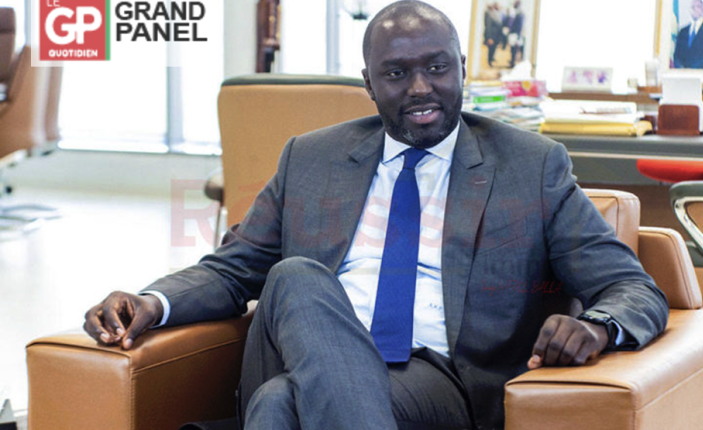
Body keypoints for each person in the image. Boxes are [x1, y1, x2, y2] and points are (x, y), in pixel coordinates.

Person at [83, 2, 668, 429]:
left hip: (438, 383)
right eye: (396, 73)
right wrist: (152, 302)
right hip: (300, 353)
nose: (421, 88)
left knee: (277, 406)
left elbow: (631, 287)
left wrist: (598, 325)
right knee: (294, 278)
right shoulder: (311, 158)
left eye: (437, 67)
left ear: (463, 67)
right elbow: (232, 270)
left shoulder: (530, 165)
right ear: (368, 83)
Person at [673, 0, 703, 69]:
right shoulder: (682, 31)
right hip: (684, 73)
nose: (695, 9)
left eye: (698, 6)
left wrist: (693, 69)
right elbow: (676, 55)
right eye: (693, 7)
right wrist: (682, 68)